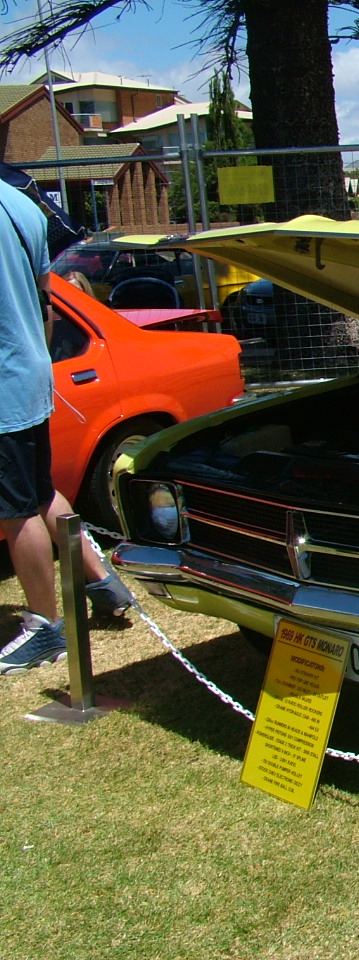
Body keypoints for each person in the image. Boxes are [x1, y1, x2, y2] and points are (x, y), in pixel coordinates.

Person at [0, 178, 132, 676]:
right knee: (38, 492)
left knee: (15, 511)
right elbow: (46, 304)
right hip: (30, 372)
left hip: (4, 385)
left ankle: (44, 629)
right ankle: (102, 583)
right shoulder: (20, 204)